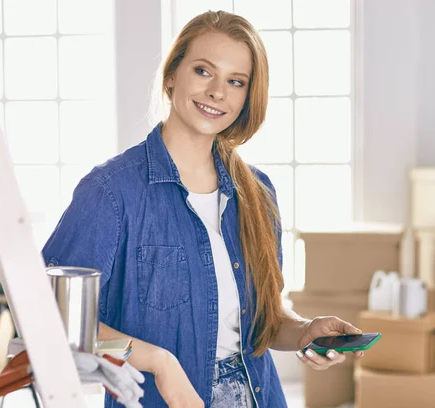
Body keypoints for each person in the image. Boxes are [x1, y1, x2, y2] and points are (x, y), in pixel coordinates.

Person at [42, 10, 364, 408]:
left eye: (235, 81)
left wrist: (304, 332)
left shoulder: (258, 193)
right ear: (172, 74)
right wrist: (159, 363)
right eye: (203, 71)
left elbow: (262, 322)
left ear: (248, 96)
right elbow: (51, 313)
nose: (217, 92)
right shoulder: (111, 192)